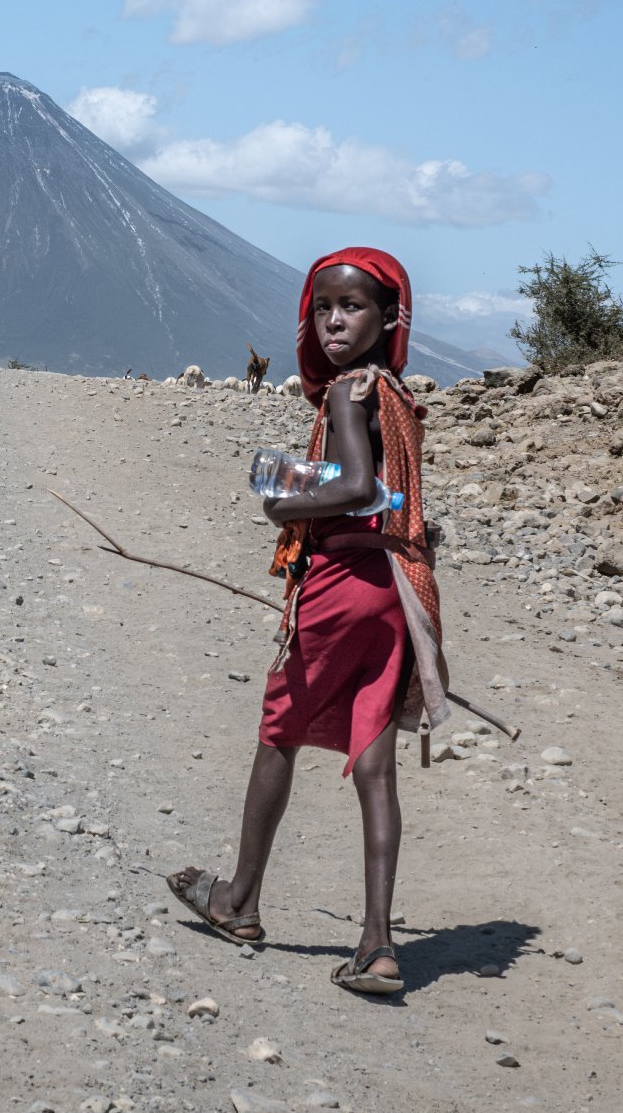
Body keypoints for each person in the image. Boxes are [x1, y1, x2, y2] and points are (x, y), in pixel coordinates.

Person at [167, 247, 448, 996]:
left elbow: (357, 485)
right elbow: (393, 497)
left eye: (351, 307)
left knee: (278, 732)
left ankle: (238, 899)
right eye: (323, 306)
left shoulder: (351, 394)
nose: (332, 320)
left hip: (343, 587)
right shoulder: (396, 394)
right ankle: (378, 945)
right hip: (395, 592)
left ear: (387, 318)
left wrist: (284, 506)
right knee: (376, 766)